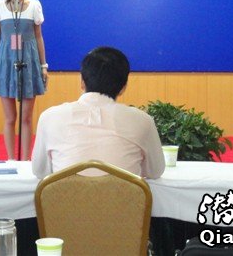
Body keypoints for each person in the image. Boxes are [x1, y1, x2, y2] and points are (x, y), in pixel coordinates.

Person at [31, 46, 165, 179]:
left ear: (82, 82)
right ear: (123, 87)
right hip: (121, 194)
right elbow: (155, 172)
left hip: (65, 194)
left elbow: (40, 171)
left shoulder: (49, 117)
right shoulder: (142, 121)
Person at [0, 0, 48, 161]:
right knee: (10, 118)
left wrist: (44, 65)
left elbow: (38, 37)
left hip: (29, 60)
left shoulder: (35, 5)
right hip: (6, 61)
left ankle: (26, 161)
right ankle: (12, 160)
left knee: (26, 118)